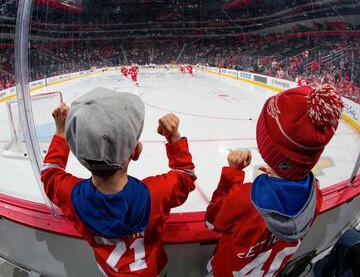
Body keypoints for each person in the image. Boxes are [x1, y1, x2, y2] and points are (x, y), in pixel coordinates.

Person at [41, 87, 196, 276]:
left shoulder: (72, 196)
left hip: (109, 271)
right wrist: (173, 138)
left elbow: (50, 173)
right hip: (154, 270)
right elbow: (186, 176)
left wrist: (60, 132)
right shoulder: (156, 194)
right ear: (136, 152)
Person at [205, 84, 344, 277]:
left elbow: (212, 221)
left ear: (268, 148)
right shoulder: (315, 194)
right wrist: (280, 171)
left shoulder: (247, 198)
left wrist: (233, 174)